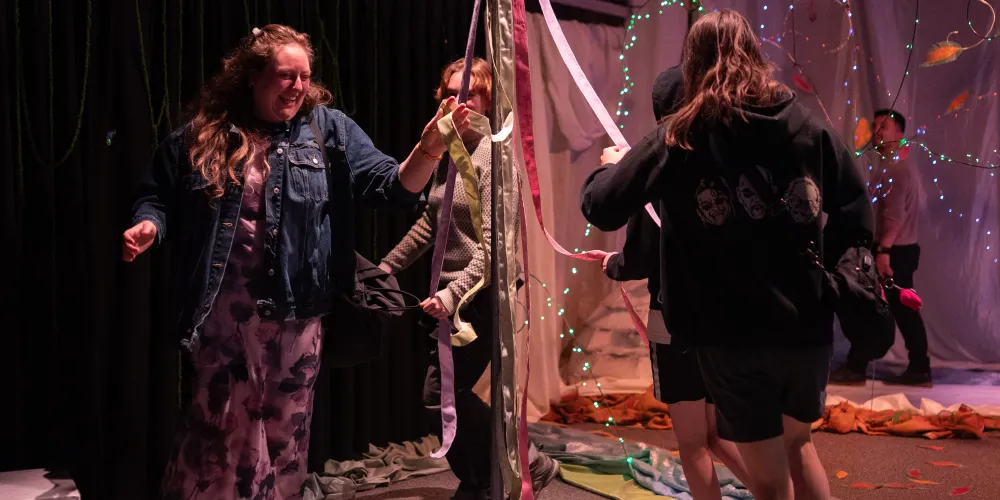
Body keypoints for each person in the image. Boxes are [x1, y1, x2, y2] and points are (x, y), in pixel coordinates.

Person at [123, 24, 471, 500]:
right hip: (224, 319)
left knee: (285, 439)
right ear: (253, 76)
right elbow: (157, 194)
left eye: (305, 76)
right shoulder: (207, 135)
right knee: (220, 438)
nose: (298, 86)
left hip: (298, 316)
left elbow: (393, 187)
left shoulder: (328, 130)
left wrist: (429, 148)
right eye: (286, 76)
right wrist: (149, 224)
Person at [581, 10, 873, 500]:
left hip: (730, 330)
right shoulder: (806, 125)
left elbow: (602, 206)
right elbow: (856, 213)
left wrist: (610, 167)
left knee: (768, 481)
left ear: (692, 63)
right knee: (800, 446)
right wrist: (834, 281)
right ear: (754, 54)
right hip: (805, 324)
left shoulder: (680, 135)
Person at [378, 57, 557, 500]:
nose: (459, 102)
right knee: (443, 394)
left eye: (470, 94)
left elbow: (496, 249)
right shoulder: (447, 151)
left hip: (481, 294)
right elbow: (431, 223)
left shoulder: (495, 157)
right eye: (450, 94)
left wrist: (454, 293)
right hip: (451, 295)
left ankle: (503, 470)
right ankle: (493, 473)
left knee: (442, 394)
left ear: (488, 101)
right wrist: (386, 267)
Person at [601, 65, 751, 500]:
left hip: (677, 319)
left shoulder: (659, 172)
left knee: (693, 442)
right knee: (716, 434)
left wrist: (613, 263)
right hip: (725, 318)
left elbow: (640, 256)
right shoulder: (729, 161)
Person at [830, 109, 931, 387]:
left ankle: (863, 366)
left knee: (881, 308)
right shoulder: (895, 166)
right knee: (894, 309)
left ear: (900, 134)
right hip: (899, 250)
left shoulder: (896, 169)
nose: (877, 133)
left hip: (894, 251)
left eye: (884, 127)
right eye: (875, 127)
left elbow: (894, 218)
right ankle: (910, 366)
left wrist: (883, 251)